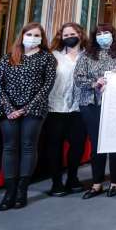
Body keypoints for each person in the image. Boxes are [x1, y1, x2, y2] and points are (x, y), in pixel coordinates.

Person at [0, 22, 57, 211]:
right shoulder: (8, 57)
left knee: (28, 146)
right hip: (7, 110)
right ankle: (9, 192)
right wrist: (9, 108)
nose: (32, 38)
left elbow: (47, 86)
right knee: (9, 147)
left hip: (34, 109)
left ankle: (22, 191)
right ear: (22, 36)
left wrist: (26, 108)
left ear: (42, 38)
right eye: (29, 34)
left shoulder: (47, 58)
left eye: (37, 35)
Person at [74, 23, 116, 199]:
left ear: (113, 35)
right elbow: (78, 78)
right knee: (97, 144)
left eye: (106, 33)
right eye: (99, 34)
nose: (102, 36)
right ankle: (97, 183)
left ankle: (115, 182)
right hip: (91, 103)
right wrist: (95, 83)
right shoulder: (86, 55)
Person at [45, 22, 88, 197]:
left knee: (77, 145)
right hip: (55, 107)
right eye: (66, 35)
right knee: (54, 146)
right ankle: (56, 182)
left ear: (80, 35)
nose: (69, 37)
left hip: (78, 107)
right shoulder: (53, 56)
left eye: (72, 34)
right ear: (61, 38)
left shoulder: (88, 55)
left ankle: (72, 178)